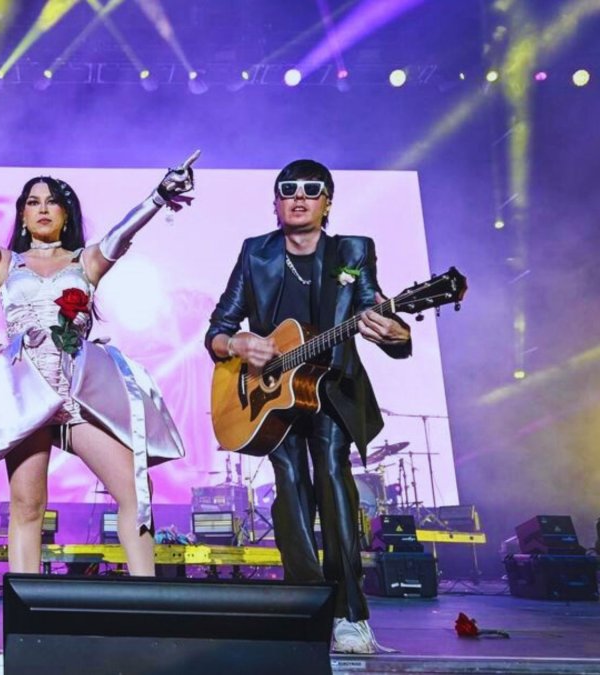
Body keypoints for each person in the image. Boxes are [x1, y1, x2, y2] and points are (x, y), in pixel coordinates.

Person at [0, 146, 193, 575]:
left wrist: (159, 195)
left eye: (52, 201)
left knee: (135, 492)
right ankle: (23, 611)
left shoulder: (84, 261)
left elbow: (122, 235)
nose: (43, 208)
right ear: (23, 215)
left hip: (80, 396)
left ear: (67, 214)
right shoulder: (5, 264)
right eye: (33, 201)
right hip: (27, 396)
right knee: (28, 505)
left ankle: (149, 600)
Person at [205, 159, 411, 654]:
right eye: (288, 189)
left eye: (312, 190)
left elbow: (374, 310)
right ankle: (308, 602)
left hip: (333, 387)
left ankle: (349, 612)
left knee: (333, 480)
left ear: (327, 202)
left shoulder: (352, 250)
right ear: (275, 203)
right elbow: (219, 327)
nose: (299, 196)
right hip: (270, 395)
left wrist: (396, 332)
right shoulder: (256, 253)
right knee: (291, 488)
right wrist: (238, 346)